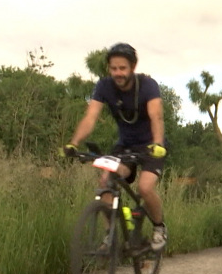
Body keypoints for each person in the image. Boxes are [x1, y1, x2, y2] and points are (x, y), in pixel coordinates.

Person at [63, 43, 168, 251]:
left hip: (151, 146)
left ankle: (159, 227)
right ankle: (111, 235)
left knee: (145, 188)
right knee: (106, 182)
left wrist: (157, 143)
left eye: (122, 68)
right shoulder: (104, 86)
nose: (118, 73)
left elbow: (156, 115)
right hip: (125, 146)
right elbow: (91, 117)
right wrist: (73, 143)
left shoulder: (147, 85)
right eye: (113, 69)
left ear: (133, 67)